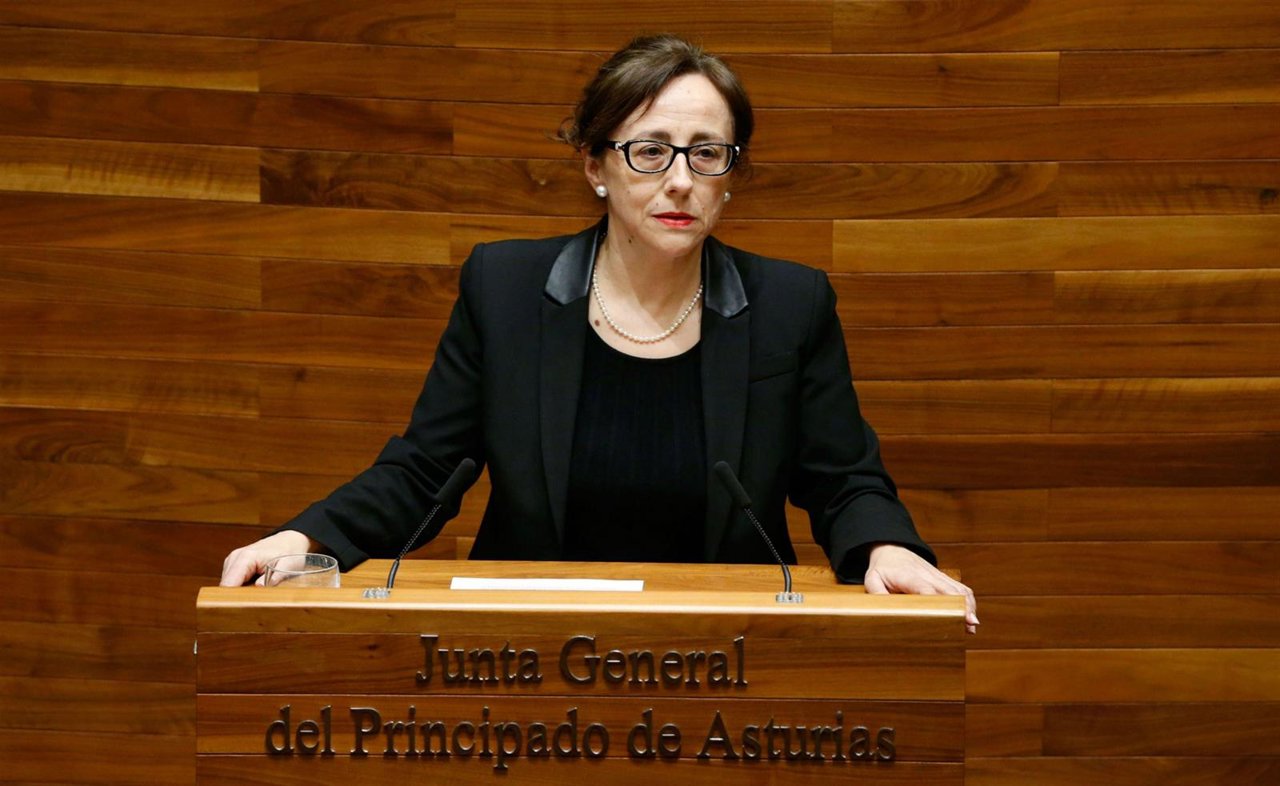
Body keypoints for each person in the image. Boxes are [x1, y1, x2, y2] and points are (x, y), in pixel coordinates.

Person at [220, 34, 978, 632]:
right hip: (522, 646)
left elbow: (844, 479)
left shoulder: (789, 304)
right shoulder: (506, 291)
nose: (679, 179)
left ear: (729, 175)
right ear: (595, 166)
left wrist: (887, 547)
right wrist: (307, 538)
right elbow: (424, 471)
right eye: (649, 151)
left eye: (706, 153)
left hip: (730, 647)